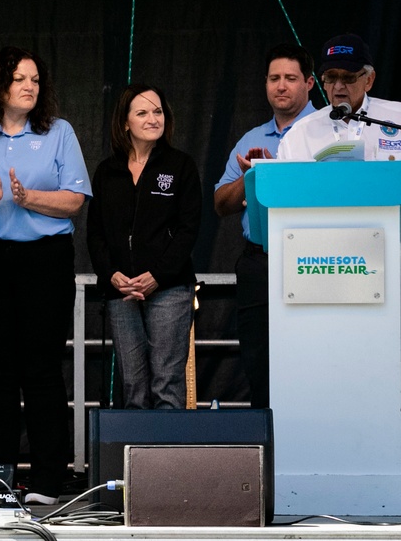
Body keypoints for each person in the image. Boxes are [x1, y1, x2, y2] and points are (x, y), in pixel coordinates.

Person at [0, 47, 91, 505]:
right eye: (19, 78)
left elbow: (74, 200)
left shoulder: (58, 132)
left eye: (35, 79)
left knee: (42, 370)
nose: (30, 86)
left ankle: (49, 481)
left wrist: (27, 197)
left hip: (43, 260)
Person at [87, 83, 201, 409]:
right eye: (142, 112)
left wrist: (157, 276)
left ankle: (169, 461)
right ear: (125, 122)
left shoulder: (180, 165)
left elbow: (188, 229)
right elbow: (95, 233)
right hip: (122, 291)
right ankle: (135, 460)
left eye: (158, 111)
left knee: (167, 383)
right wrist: (112, 275)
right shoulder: (107, 171)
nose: (153, 118)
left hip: (169, 289)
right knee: (132, 387)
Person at [214, 43, 316, 408]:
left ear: (309, 83)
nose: (281, 86)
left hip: (312, 260)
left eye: (290, 78)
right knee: (259, 360)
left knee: (311, 358)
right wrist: (251, 177)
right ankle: (268, 453)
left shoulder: (328, 133)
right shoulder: (250, 139)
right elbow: (221, 204)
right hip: (260, 260)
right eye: (274, 78)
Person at [278, 33, 401, 160]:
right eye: (331, 77)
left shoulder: (397, 117)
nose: (338, 86)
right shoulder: (299, 134)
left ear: (369, 80)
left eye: (348, 77)